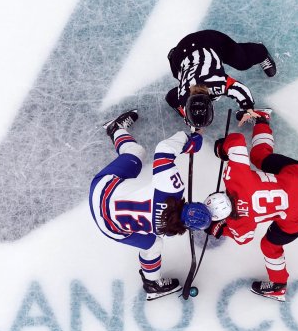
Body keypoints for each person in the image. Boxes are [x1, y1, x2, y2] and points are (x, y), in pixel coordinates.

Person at [89, 109, 213, 300]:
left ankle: (115, 129)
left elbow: (164, 148)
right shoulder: (169, 230)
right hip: (107, 224)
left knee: (136, 153)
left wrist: (190, 141)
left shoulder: (171, 189)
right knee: (154, 244)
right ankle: (152, 283)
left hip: (103, 190)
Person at [205, 108, 298, 301]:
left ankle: (278, 286)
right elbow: (236, 141)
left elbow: (243, 238)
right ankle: (261, 119)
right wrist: (222, 148)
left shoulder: (238, 223)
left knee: (269, 245)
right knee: (258, 157)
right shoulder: (234, 177)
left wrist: (219, 229)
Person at [165, 30, 277, 128]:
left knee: (243, 62)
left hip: (208, 41)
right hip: (180, 52)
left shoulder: (218, 83)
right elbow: (172, 97)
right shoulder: (183, 95)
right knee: (176, 81)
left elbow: (240, 91)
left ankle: (261, 52)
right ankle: (173, 55)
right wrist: (190, 119)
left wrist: (248, 109)